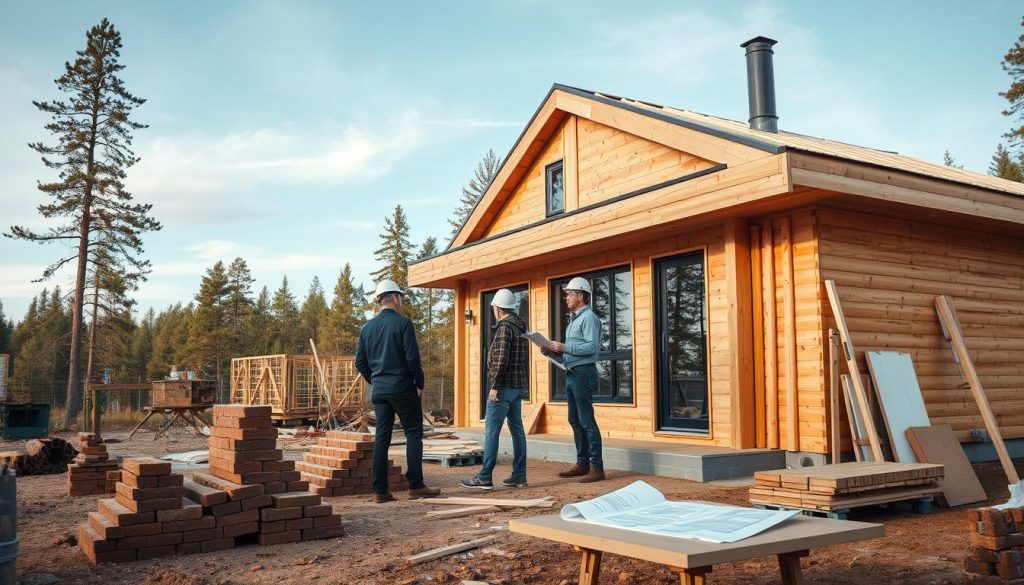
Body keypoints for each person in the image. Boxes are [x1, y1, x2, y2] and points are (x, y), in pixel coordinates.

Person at [355, 279, 441, 503]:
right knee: (413, 433)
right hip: (403, 388)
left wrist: (376, 381)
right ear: (395, 298)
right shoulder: (403, 323)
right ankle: (416, 486)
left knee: (381, 438)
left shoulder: (366, 328)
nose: (402, 302)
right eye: (401, 298)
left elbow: (360, 363)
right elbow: (412, 358)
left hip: (380, 391)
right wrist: (419, 384)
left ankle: (380, 491)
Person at [460, 288, 530, 490]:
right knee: (518, 431)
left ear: (498, 309)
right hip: (517, 388)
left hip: (503, 388)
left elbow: (501, 360)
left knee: (491, 432)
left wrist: (495, 386)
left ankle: (484, 477)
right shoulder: (520, 328)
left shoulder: (504, 328)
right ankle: (519, 476)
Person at [542, 276, 605, 483]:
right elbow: (572, 352)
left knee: (586, 421)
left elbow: (593, 347)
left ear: (580, 296)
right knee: (575, 420)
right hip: (571, 374)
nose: (566, 298)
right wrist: (551, 351)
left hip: (583, 374)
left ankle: (597, 468)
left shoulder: (589, 318)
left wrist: (564, 347)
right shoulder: (575, 320)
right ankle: (582, 463)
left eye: (569, 294)